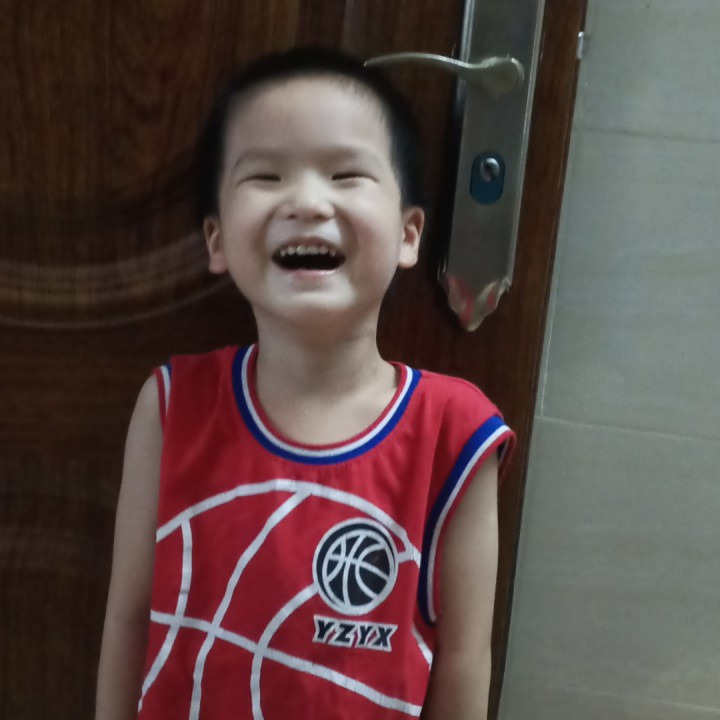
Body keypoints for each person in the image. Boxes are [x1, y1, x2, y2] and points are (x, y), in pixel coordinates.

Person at [96, 47, 514, 720]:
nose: (307, 202)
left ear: (409, 235)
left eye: (346, 174)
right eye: (266, 176)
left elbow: (465, 660)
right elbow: (129, 616)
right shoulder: (173, 405)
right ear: (217, 240)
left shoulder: (456, 432)